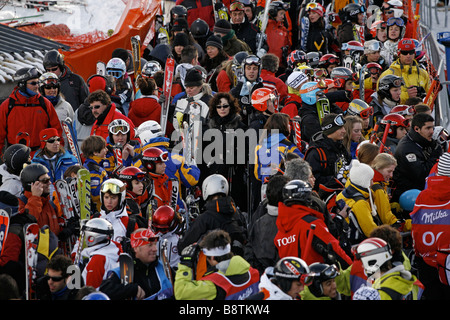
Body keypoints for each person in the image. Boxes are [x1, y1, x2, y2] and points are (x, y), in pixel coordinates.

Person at [275, 179, 353, 268]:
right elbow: (335, 250)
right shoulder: (312, 224)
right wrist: (353, 269)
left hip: (291, 278)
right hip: (314, 277)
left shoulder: (280, 229)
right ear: (309, 199)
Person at [174, 229, 260, 300]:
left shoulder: (214, 285)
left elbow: (180, 293)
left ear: (212, 257)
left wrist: (185, 264)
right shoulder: (252, 272)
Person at [410, 152, 450, 300]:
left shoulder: (422, 196)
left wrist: (419, 255)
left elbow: (416, 228)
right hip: (447, 262)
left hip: (426, 260)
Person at [177, 174, 247, 256]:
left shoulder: (204, 219)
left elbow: (184, 245)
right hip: (237, 262)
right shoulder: (238, 214)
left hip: (212, 264)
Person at [0, 67, 63, 158]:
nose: (37, 86)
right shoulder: (8, 105)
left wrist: (58, 153)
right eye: (33, 83)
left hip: (41, 157)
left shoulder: (45, 103)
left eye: (38, 82)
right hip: (15, 156)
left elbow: (57, 131)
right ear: (22, 84)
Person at [99, 228, 174, 300]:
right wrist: (132, 289)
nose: (155, 249)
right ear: (136, 248)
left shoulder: (163, 267)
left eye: (155, 244)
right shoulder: (124, 269)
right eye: (150, 245)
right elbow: (104, 291)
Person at [206, 92, 247, 210]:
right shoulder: (211, 125)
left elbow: (243, 152)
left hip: (233, 174)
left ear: (231, 106)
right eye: (219, 106)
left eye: (225, 106)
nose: (222, 109)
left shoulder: (239, 126)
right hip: (214, 171)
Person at [244, 175, 290, 275]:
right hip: (285, 277)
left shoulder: (258, 222)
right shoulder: (292, 223)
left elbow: (249, 252)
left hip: (263, 278)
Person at [392, 113, 442, 202]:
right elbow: (422, 174)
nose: (432, 131)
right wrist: (435, 155)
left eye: (432, 128)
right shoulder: (407, 148)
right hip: (409, 197)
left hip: (422, 192)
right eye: (428, 128)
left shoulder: (424, 141)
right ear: (416, 129)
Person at [354, 236, 423, 299]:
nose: (363, 266)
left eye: (363, 262)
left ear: (373, 261)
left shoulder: (382, 291)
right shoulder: (404, 278)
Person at [304, 113, 351, 196]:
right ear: (330, 130)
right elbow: (312, 180)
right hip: (325, 197)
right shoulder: (316, 152)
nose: (344, 131)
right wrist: (336, 180)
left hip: (343, 193)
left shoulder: (340, 147)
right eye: (340, 128)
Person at [379, 38, 431, 105]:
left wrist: (423, 97)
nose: (408, 56)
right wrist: (407, 95)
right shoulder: (388, 74)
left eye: (411, 52)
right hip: (396, 113)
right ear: (399, 54)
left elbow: (430, 96)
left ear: (414, 53)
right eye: (404, 53)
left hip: (419, 112)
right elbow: (382, 98)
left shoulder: (423, 73)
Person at [254, 113, 303, 183]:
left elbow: (257, 174)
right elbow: (303, 165)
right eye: (288, 124)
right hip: (284, 186)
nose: (290, 126)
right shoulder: (288, 146)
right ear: (282, 126)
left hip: (266, 187)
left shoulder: (259, 146)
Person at [18, 163, 62, 237]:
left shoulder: (50, 204)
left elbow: (54, 230)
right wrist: (35, 197)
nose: (50, 183)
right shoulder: (21, 203)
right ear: (32, 184)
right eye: (45, 181)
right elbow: (28, 224)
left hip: (52, 248)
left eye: (49, 179)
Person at [77, 218, 122, 289]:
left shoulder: (98, 260)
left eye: (85, 234)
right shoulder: (113, 249)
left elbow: (91, 289)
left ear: (91, 237)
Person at [97, 178, 139, 250]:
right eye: (106, 197)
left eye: (113, 198)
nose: (109, 202)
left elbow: (138, 249)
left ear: (120, 198)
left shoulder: (129, 223)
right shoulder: (95, 219)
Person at [246, 256, 313, 300]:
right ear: (285, 282)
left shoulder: (295, 297)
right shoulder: (261, 298)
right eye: (298, 284)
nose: (302, 289)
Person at [80, 135, 109, 212]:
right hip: (99, 210)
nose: (106, 150)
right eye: (104, 148)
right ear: (95, 152)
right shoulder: (93, 169)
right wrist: (109, 185)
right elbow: (95, 194)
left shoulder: (97, 166)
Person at [265, 1, 291, 67]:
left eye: (283, 14)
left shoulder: (283, 30)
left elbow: (288, 47)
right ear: (273, 12)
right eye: (281, 14)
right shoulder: (265, 26)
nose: (283, 17)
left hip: (279, 66)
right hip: (265, 64)